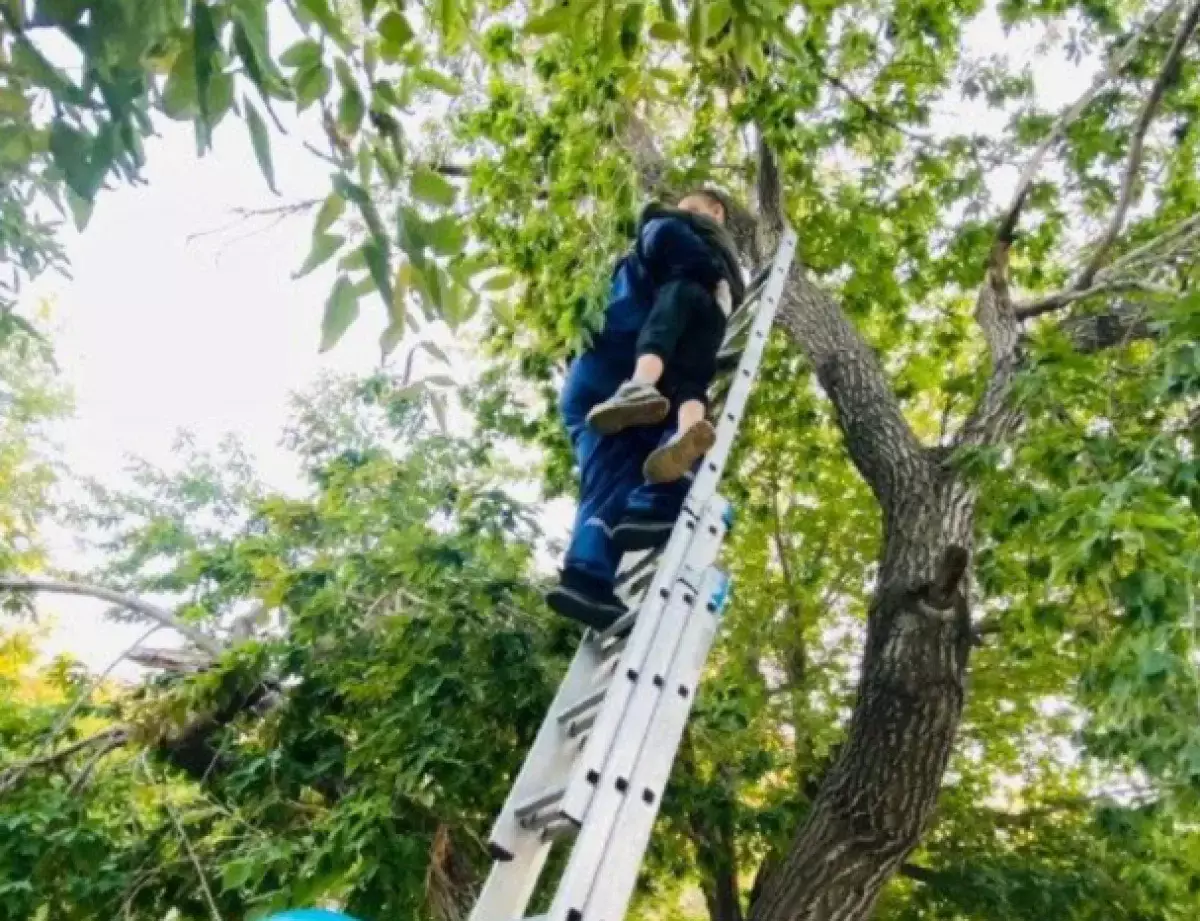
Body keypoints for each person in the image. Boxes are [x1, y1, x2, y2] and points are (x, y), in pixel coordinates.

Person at [546, 190, 744, 631]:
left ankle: (587, 578)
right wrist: (717, 288)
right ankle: (657, 500)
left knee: (611, 480)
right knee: (677, 419)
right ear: (714, 214)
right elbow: (677, 253)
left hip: (594, 391)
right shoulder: (666, 229)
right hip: (620, 371)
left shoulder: (638, 260)